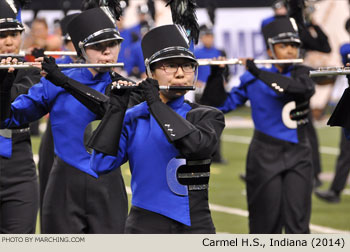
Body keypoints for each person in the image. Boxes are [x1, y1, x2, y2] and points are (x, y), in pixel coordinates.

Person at [1, 7, 129, 234]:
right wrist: (4, 86)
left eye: (113, 44)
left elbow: (108, 107)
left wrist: (63, 81)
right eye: (98, 46)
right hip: (63, 188)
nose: (108, 52)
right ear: (82, 49)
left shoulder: (126, 88)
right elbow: (9, 119)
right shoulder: (55, 82)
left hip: (109, 186)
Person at [88, 24, 225, 234]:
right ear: (150, 72)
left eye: (187, 66)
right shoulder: (133, 118)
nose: (180, 74)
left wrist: (155, 104)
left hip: (196, 226)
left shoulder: (207, 116)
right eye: (169, 66)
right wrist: (116, 111)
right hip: (144, 227)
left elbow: (197, 147)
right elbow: (100, 164)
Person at [201, 17, 315, 234]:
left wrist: (258, 72)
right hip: (263, 156)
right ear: (270, 50)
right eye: (284, 46)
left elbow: (299, 90)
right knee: (265, 223)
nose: (291, 51)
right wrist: (216, 75)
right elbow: (218, 106)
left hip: (299, 154)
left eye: (294, 45)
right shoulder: (252, 79)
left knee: (297, 223)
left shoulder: (303, 74)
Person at [0, 0, 40, 233]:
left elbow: (17, 108)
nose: (9, 41)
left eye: (14, 34)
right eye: (2, 34)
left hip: (19, 168)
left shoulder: (31, 73)